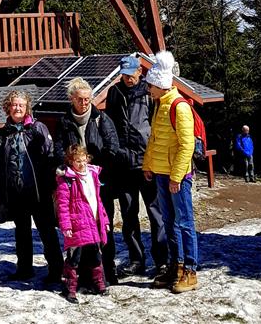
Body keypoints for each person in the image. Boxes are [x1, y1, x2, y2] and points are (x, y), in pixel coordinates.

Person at [105, 54, 167, 278]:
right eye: (124, 74)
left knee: (156, 213)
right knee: (129, 215)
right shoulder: (114, 92)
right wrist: (116, 152)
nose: (128, 78)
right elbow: (109, 125)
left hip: (147, 162)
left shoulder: (150, 93)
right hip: (123, 164)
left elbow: (156, 125)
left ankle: (162, 260)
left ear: (140, 72)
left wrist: (153, 156)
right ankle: (136, 260)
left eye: (131, 74)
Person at [0, 90, 63, 283]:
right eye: (14, 105)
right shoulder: (3, 134)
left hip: (39, 191)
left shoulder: (38, 128)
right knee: (21, 233)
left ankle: (57, 270)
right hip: (16, 191)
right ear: (8, 107)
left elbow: (50, 156)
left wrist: (53, 186)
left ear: (27, 107)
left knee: (47, 231)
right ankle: (24, 269)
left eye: (21, 105)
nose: (17, 108)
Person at [143, 50, 198, 293]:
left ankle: (191, 270)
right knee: (169, 222)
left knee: (185, 223)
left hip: (178, 176)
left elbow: (187, 145)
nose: (148, 89)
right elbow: (154, 140)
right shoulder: (159, 105)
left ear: (160, 84)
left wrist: (177, 177)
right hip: (161, 172)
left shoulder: (180, 107)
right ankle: (175, 266)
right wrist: (148, 165)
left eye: (151, 85)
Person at [54, 77, 119, 284]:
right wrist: (66, 167)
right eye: (81, 99)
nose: (85, 103)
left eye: (88, 99)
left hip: (97, 183)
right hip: (75, 184)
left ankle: (107, 270)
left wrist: (97, 169)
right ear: (72, 99)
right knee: (80, 231)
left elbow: (112, 145)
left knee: (102, 226)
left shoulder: (101, 118)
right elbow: (58, 149)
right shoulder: (64, 122)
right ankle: (81, 273)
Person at [55, 144, 109, 304]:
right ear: (71, 161)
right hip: (76, 225)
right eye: (77, 161)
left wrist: (104, 220)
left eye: (83, 160)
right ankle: (69, 288)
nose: (81, 164)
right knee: (74, 259)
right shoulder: (67, 180)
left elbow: (98, 200)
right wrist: (66, 226)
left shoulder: (92, 175)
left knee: (96, 256)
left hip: (93, 223)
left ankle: (100, 285)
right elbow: (62, 206)